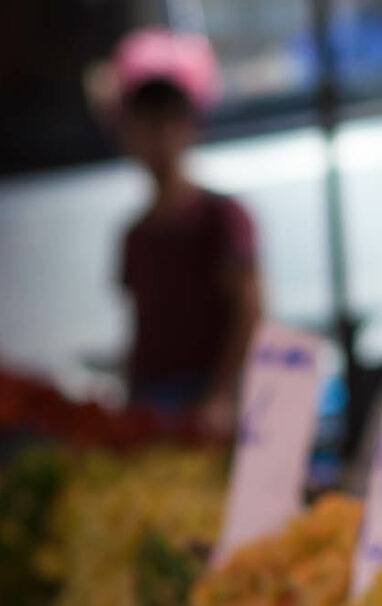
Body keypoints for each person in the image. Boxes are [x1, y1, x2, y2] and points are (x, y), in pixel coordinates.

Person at [110, 36, 260, 432]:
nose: (158, 138)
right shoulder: (135, 234)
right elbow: (139, 325)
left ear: (190, 129)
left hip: (208, 405)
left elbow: (251, 312)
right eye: (146, 125)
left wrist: (222, 396)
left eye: (169, 122)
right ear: (128, 135)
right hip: (153, 404)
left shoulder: (223, 217)